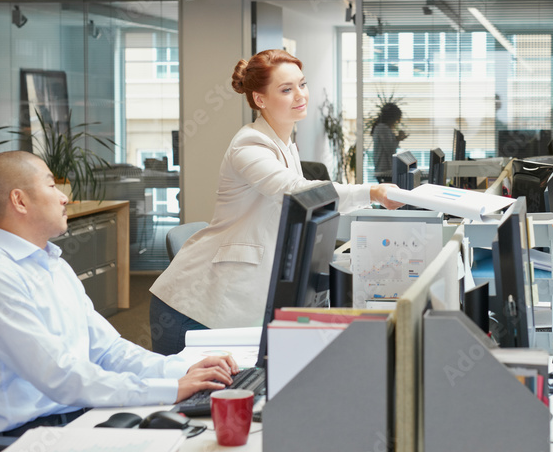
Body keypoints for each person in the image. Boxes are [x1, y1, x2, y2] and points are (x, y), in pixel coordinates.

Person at [0, 151, 238, 436]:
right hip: (32, 435)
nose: (64, 197)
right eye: (52, 186)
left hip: (80, 413)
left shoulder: (54, 265)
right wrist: (170, 389)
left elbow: (108, 351)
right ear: (19, 200)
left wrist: (182, 370)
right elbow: (62, 377)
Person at [150, 49, 402, 355]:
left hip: (233, 304)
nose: (300, 95)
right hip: (194, 312)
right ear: (260, 99)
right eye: (286, 89)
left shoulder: (282, 145)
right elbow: (299, 193)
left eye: (302, 84)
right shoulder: (249, 145)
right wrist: (372, 193)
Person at [371, 102, 407, 183]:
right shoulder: (383, 128)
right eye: (397, 119)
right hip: (384, 171)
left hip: (383, 170)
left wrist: (397, 138)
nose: (397, 122)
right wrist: (398, 138)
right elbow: (390, 149)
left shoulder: (382, 128)